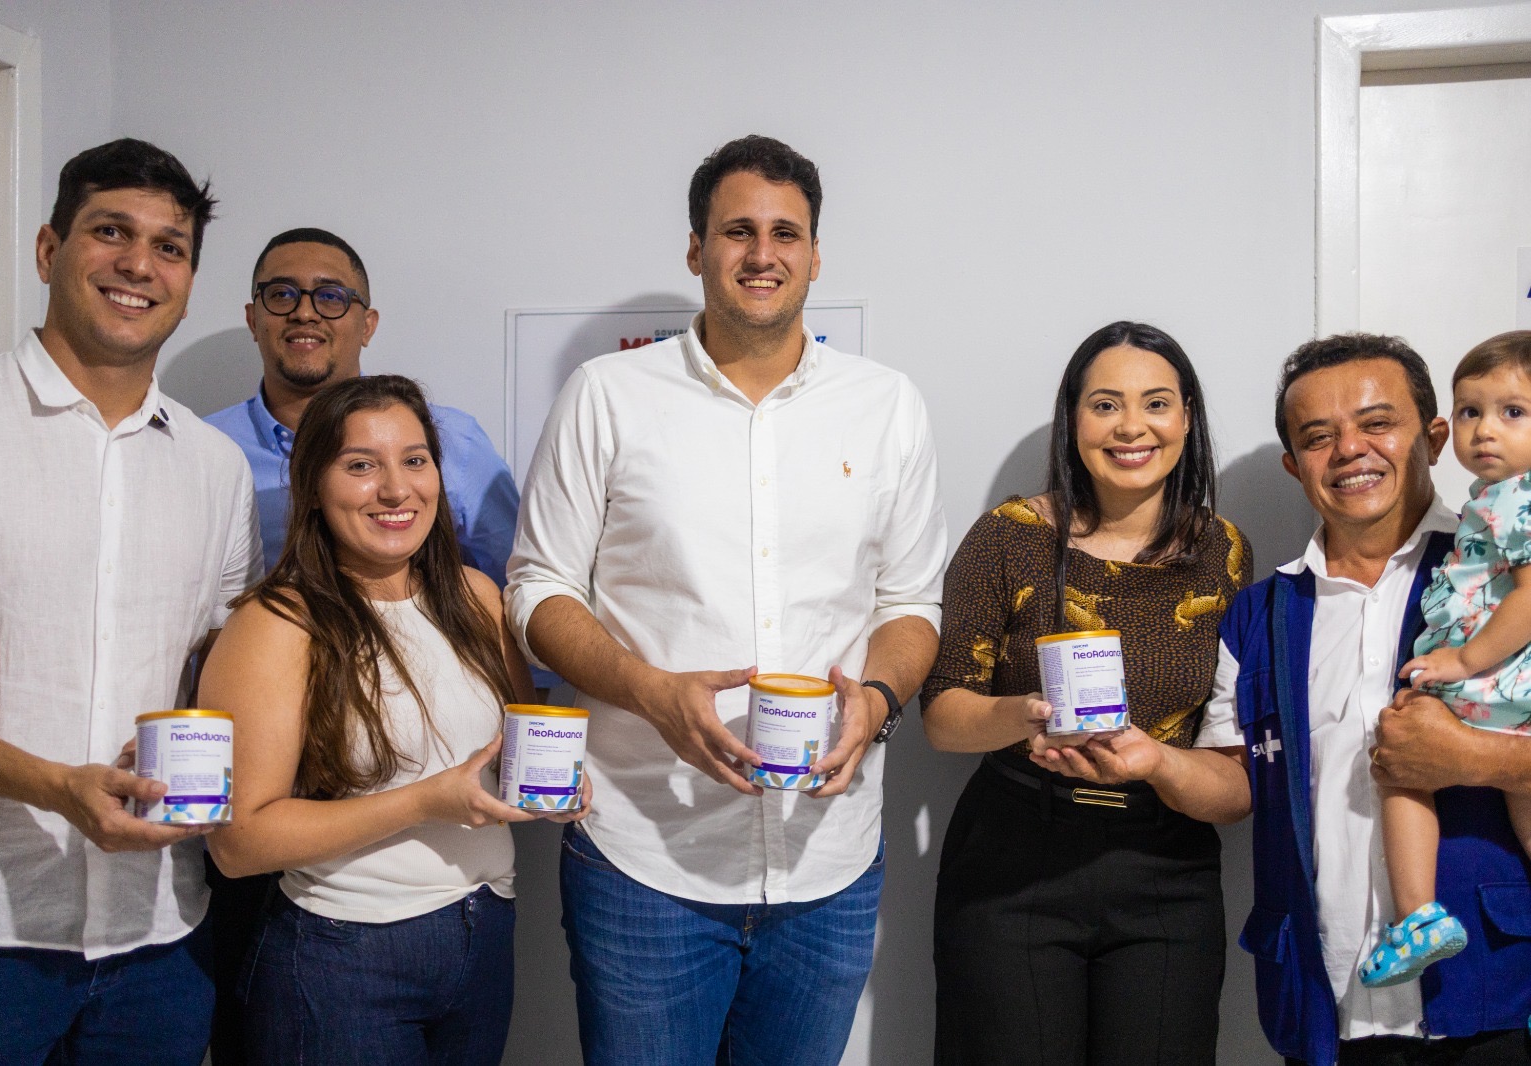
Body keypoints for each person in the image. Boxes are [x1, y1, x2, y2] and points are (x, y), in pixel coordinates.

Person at [506, 134, 946, 1065]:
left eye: (786, 233)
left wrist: (877, 702)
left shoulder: (887, 405)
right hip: (644, 855)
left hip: (828, 861)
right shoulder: (607, 395)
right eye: (738, 230)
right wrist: (650, 692)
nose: (762, 253)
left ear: (816, 256)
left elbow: (911, 602)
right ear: (696, 248)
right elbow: (538, 590)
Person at [0, 138, 260, 1065]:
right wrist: (56, 788)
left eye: (169, 247)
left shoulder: (216, 468)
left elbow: (220, 676)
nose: (139, 265)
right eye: (111, 232)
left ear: (188, 281)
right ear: (49, 251)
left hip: (162, 932)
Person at [202, 227, 532, 1061]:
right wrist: (425, 801)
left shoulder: (477, 598)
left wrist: (557, 781)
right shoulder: (277, 622)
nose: (395, 489)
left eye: (414, 461)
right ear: (312, 486)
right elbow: (238, 844)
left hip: (483, 931)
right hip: (346, 954)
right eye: (360, 466)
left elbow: (516, 746)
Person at [921, 321, 1254, 1065]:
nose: (1132, 426)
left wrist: (1157, 762)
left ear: (1187, 418)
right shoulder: (1007, 536)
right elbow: (942, 712)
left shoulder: (1223, 552)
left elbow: (1232, 763)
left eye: (1156, 403)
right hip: (1016, 859)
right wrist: (1025, 715)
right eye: (1106, 405)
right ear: (1073, 419)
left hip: (1165, 864)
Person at [1194, 333, 1531, 1065]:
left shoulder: (1507, 585)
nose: (1350, 449)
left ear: (1435, 439)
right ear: (1295, 464)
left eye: (1377, 424)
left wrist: (1477, 759)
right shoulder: (1257, 616)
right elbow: (1234, 781)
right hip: (1324, 1006)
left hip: (1498, 997)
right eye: (1318, 437)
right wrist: (1145, 762)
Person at [1360, 330, 1531, 989]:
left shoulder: (1516, 498)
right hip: (1505, 683)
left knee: (1401, 758)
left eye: (1513, 412)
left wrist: (1462, 659)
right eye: (1470, 411)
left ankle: (1418, 917)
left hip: (1492, 679)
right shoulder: (1493, 496)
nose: (1485, 429)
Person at [205, 226, 520, 583]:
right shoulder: (207, 448)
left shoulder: (455, 440)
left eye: (330, 296)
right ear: (253, 320)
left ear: (367, 326)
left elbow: (515, 583)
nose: (304, 313)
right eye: (281, 294)